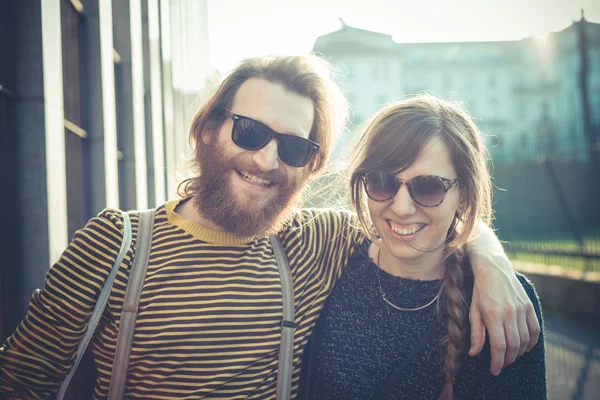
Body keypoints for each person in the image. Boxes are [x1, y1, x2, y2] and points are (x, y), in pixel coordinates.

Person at [0, 56, 539, 399]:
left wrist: (489, 261)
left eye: (292, 146)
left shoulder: (315, 243)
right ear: (209, 127)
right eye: (251, 131)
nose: (265, 160)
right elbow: (21, 382)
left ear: (310, 163)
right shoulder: (115, 244)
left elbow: (420, 225)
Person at [299, 95, 546, 399]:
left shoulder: (506, 306)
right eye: (381, 182)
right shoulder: (328, 258)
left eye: (428, 187)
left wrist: (489, 257)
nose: (401, 207)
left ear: (464, 196)